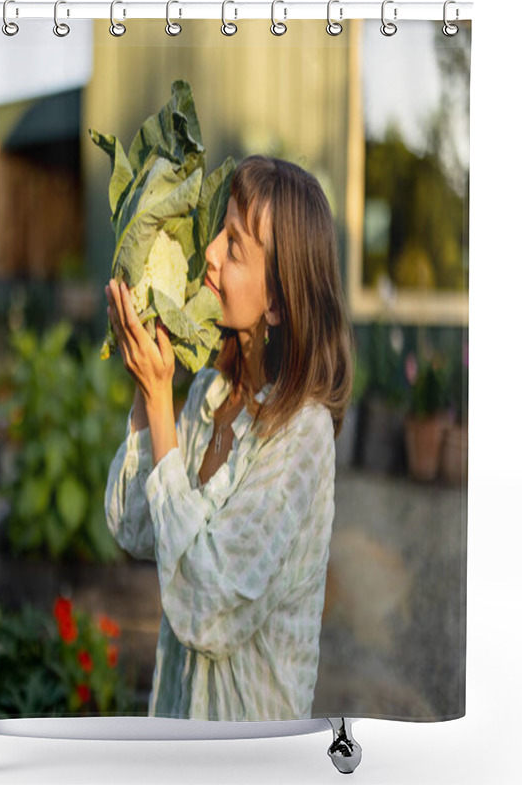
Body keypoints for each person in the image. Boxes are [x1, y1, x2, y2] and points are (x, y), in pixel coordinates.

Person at [104, 154, 353, 721]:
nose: (210, 253)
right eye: (221, 230)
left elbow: (204, 606)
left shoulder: (303, 435)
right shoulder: (210, 396)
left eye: (235, 246)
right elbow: (132, 525)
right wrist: (149, 393)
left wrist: (162, 406)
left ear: (278, 302)